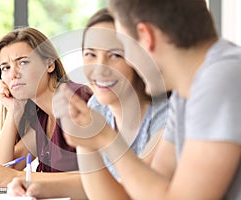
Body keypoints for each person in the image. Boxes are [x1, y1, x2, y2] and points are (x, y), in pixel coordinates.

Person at [54, 0, 241, 199]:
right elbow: (140, 196)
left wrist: (106, 139)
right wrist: (87, 139)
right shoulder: (185, 95)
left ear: (145, 36)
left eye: (123, 49)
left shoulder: (221, 79)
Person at [7, 9, 168, 199]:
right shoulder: (97, 107)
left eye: (115, 55)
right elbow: (97, 184)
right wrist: (35, 186)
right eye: (90, 54)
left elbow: (129, 192)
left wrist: (97, 137)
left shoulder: (163, 116)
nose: (99, 67)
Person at [0, 27, 92, 199]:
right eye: (6, 67)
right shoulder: (42, 116)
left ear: (49, 64)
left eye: (23, 62)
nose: (14, 74)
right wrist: (14, 111)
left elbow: (94, 179)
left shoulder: (75, 101)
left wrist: (19, 177)